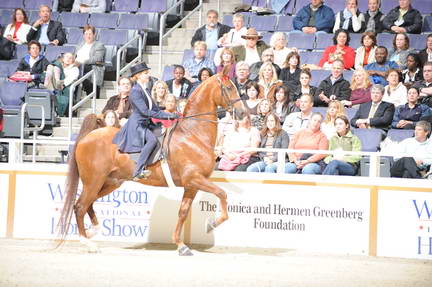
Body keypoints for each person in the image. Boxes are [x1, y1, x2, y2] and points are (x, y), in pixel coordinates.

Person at [112, 62, 180, 181]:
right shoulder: (135, 91)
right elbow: (145, 111)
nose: (148, 75)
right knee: (152, 140)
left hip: (146, 122)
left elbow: (154, 109)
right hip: (137, 124)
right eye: (145, 73)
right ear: (138, 75)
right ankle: (138, 171)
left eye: (147, 73)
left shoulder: (146, 89)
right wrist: (169, 116)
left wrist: (171, 114)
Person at [44, 52, 79, 117]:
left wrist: (63, 84)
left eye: (70, 58)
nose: (68, 59)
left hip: (66, 87)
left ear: (73, 60)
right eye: (67, 57)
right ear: (63, 59)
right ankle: (47, 85)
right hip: (55, 84)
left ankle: (48, 87)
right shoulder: (58, 66)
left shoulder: (75, 69)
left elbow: (71, 78)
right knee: (51, 66)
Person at [75, 25, 105, 99]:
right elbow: (74, 56)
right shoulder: (80, 45)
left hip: (91, 68)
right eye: (86, 34)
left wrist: (83, 62)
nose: (88, 36)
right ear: (83, 35)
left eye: (90, 34)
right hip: (78, 67)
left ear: (94, 35)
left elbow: (97, 58)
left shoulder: (99, 45)